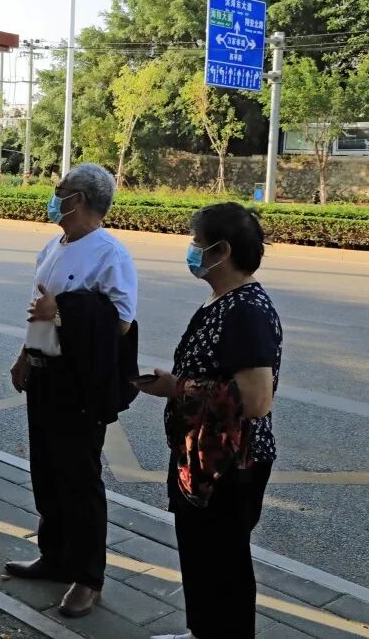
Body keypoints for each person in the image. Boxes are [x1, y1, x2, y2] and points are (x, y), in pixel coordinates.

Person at [136, 203, 281, 639]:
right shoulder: (222, 301)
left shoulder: (247, 310)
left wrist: (176, 387)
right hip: (202, 455)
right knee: (200, 553)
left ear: (223, 250)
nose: (192, 250)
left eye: (198, 242)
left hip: (231, 462)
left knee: (224, 562)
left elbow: (256, 400)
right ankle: (202, 632)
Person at [3, 163, 139, 618]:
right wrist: (25, 356)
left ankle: (87, 577)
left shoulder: (110, 255)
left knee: (79, 479)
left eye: (58, 190)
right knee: (46, 470)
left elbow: (121, 323)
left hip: (78, 383)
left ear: (77, 199)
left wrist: (62, 310)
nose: (53, 196)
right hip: (44, 374)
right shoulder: (53, 245)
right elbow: (37, 311)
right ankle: (55, 556)